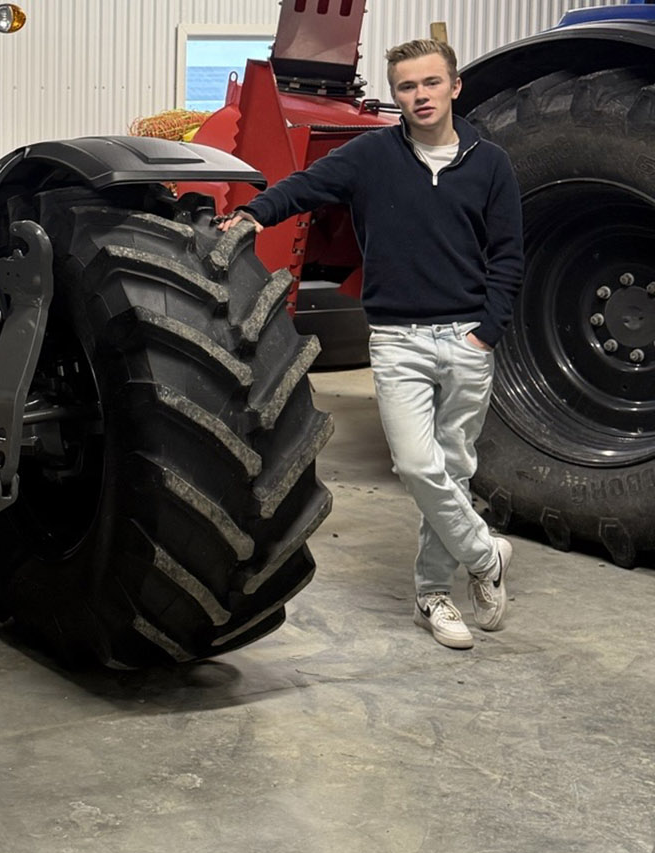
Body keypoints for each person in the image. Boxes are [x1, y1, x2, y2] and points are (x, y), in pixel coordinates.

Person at [217, 39, 523, 650]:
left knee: (454, 471)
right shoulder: (370, 156)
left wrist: (486, 332)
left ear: (454, 87)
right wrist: (255, 214)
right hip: (398, 341)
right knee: (416, 465)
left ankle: (433, 596)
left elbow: (508, 256)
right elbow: (304, 186)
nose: (420, 96)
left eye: (431, 83)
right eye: (407, 87)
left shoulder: (490, 163)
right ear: (396, 95)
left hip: (466, 340)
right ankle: (485, 555)